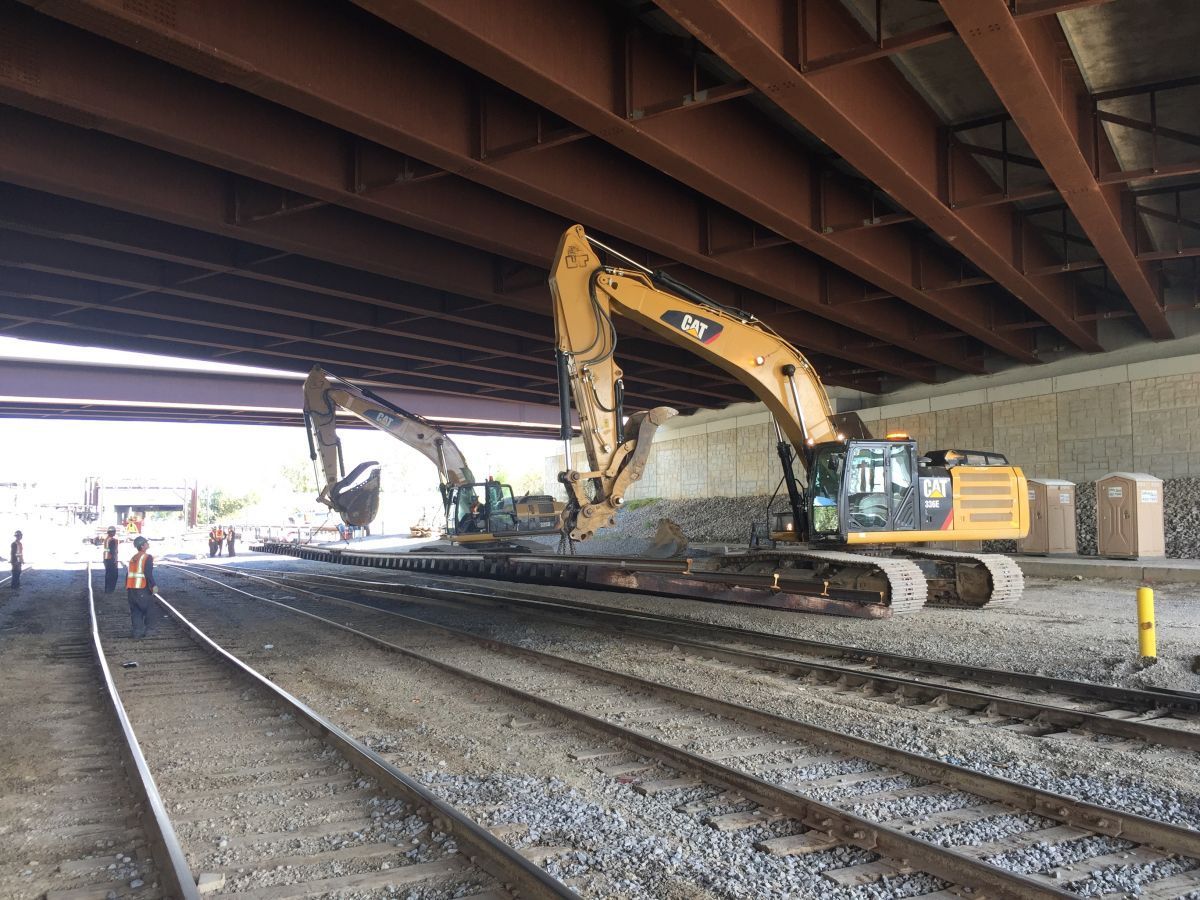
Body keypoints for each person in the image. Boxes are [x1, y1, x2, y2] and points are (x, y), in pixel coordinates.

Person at [126, 535, 156, 639]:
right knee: (149, 609)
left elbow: (128, 574)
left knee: (136, 611)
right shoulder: (147, 557)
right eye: (146, 543)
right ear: (142, 546)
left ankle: (137, 632)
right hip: (142, 588)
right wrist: (153, 585)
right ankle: (149, 631)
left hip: (131, 589)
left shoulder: (134, 557)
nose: (148, 544)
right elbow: (148, 573)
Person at [102, 526, 120, 593]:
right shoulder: (112, 540)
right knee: (113, 575)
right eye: (114, 532)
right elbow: (113, 551)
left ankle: (107, 589)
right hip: (111, 559)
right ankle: (110, 589)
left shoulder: (107, 539)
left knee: (108, 574)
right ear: (112, 532)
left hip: (106, 559)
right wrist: (115, 559)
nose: (115, 533)